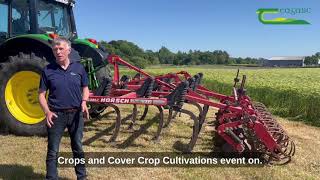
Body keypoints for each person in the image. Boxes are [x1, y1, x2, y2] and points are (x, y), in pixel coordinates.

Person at [38, 37, 89, 180]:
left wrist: (84, 102)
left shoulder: (78, 68)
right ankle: (52, 177)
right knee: (53, 150)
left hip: (76, 114)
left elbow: (85, 88)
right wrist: (47, 112)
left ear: (68, 50)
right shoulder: (48, 70)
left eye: (61, 49)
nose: (58, 52)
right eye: (55, 49)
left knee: (78, 147)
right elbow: (41, 95)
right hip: (56, 115)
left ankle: (82, 176)